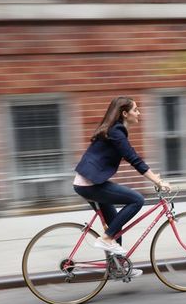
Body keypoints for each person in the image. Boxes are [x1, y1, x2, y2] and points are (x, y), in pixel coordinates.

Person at [73, 97, 171, 276]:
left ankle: (117, 268)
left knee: (115, 224)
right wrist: (157, 181)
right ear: (125, 113)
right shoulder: (117, 131)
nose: (139, 113)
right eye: (135, 110)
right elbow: (133, 158)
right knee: (136, 200)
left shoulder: (115, 130)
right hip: (89, 184)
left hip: (90, 182)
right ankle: (106, 239)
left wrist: (153, 176)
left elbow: (132, 155)